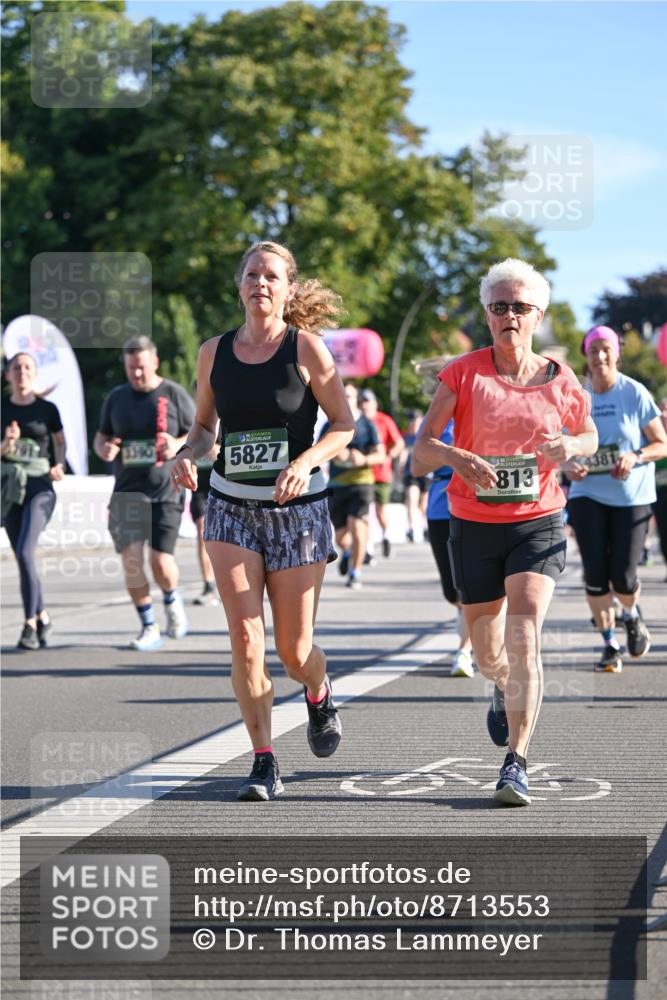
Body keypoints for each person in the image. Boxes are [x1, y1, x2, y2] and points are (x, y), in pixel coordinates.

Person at [171, 241, 354, 801]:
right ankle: (263, 759)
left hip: (296, 512)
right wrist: (186, 452)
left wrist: (305, 462)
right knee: (246, 639)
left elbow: (343, 426)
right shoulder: (213, 353)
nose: (261, 284)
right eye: (252, 274)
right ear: (239, 284)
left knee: (295, 652)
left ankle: (318, 691)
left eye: (272, 275)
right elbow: (205, 429)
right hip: (229, 508)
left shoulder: (307, 350)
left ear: (289, 288)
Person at [413, 258, 597, 807]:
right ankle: (499, 686)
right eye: (499, 307)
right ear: (487, 315)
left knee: (523, 636)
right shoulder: (463, 373)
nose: (510, 316)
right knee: (491, 650)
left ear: (537, 314)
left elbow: (587, 436)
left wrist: (571, 447)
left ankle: (516, 761)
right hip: (472, 524)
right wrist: (457, 455)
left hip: (537, 521)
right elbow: (421, 454)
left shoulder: (560, 380)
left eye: (520, 307)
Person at [564, 327, 667, 672]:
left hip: (632, 497)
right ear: (586, 355)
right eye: (593, 350)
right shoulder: (577, 396)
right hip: (587, 494)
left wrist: (635, 456)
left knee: (622, 577)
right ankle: (609, 643)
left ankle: (631, 613)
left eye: (606, 349)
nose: (600, 357)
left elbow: (661, 443)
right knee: (595, 573)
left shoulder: (634, 392)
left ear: (617, 353)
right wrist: (569, 466)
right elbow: (561, 447)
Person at [94, 336, 196, 650]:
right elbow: (100, 438)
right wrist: (105, 449)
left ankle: (171, 598)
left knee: (161, 563)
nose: (136, 374)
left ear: (154, 362)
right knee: (133, 563)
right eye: (130, 368)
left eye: (140, 367)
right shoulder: (116, 397)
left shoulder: (174, 394)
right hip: (126, 492)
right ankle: (149, 626)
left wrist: (177, 444)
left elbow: (203, 436)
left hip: (166, 490)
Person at [1, 353, 66, 650]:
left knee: (26, 551)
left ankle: (28, 624)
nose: (22, 372)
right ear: (8, 375)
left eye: (27, 367)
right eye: (16, 367)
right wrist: (8, 444)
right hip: (9, 489)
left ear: (35, 373)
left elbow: (60, 442)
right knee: (23, 556)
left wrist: (60, 464)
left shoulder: (47, 409)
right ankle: (43, 615)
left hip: (40, 487)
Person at [325, 383, 385, 589]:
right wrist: (333, 453)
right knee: (341, 537)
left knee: (358, 525)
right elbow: (317, 449)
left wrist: (363, 460)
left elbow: (381, 455)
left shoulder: (367, 425)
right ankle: (349, 552)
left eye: (349, 395)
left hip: (361, 483)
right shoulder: (331, 423)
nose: (346, 398)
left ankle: (355, 572)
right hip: (336, 484)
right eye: (343, 395)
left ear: (356, 399)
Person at [359, 388, 405, 558]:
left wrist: (389, 456)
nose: (365, 405)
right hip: (362, 474)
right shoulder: (356, 421)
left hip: (381, 473)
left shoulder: (384, 420)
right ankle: (368, 547)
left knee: (380, 511)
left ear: (375, 404)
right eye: (362, 402)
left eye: (368, 402)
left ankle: (386, 536)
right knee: (364, 512)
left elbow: (399, 443)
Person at [402, 410, 429, 542]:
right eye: (411, 422)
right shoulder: (407, 437)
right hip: (411, 473)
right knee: (412, 499)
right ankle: (412, 528)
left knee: (423, 503)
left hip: (426, 472)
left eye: (415, 421)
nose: (412, 424)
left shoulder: (426, 435)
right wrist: (400, 470)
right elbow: (403, 453)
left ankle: (424, 527)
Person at [653, 395, 667, 580]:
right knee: (664, 531)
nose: (664, 414)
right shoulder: (651, 436)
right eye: (661, 410)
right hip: (659, 491)